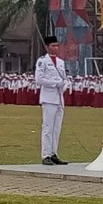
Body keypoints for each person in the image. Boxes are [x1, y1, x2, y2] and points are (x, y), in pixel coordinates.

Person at [35, 35, 69, 165]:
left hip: (59, 98)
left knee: (57, 128)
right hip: (49, 98)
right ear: (47, 47)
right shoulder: (42, 61)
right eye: (53, 46)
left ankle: (54, 153)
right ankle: (46, 155)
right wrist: (54, 83)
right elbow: (39, 79)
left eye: (57, 45)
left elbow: (65, 79)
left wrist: (63, 86)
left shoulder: (60, 62)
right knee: (48, 128)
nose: (56, 48)